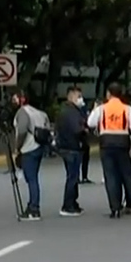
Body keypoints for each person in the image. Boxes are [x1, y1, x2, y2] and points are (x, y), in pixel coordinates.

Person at [87, 83, 131, 218]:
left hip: (106, 143)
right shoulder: (127, 109)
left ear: (108, 93)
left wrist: (94, 109)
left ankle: (115, 209)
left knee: (111, 176)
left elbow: (90, 123)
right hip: (123, 144)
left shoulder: (102, 109)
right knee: (128, 176)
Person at [8, 89, 49, 221]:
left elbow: (22, 131)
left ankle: (33, 208)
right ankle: (33, 206)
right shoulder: (39, 112)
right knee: (34, 178)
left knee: (31, 179)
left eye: (15, 99)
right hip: (39, 147)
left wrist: (17, 148)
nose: (12, 101)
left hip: (28, 148)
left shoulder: (22, 112)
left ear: (22, 99)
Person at [54, 86, 87, 216]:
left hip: (67, 146)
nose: (81, 99)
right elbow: (76, 129)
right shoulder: (71, 112)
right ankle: (68, 205)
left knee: (73, 176)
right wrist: (84, 129)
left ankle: (73, 203)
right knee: (72, 178)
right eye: (78, 96)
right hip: (72, 147)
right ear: (71, 96)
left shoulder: (68, 110)